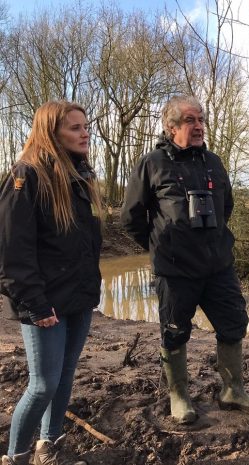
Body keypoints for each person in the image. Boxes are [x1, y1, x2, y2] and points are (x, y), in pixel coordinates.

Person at [120, 95, 249, 424]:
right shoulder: (153, 163)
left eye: (201, 119)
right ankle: (179, 396)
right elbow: (131, 217)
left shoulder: (214, 162)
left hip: (218, 266)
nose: (199, 126)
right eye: (191, 120)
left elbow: (225, 207)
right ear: (171, 127)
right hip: (175, 270)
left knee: (233, 325)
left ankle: (232, 390)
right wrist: (162, 243)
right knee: (175, 332)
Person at [0, 101, 103, 465]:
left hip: (77, 298)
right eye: (75, 128)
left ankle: (49, 446)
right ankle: (15, 457)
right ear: (51, 132)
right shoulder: (24, 177)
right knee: (42, 384)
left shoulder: (80, 177)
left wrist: (91, 292)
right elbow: (12, 253)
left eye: (85, 126)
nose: (85, 133)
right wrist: (35, 305)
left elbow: (83, 245)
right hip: (44, 303)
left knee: (65, 375)